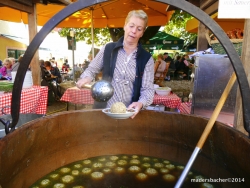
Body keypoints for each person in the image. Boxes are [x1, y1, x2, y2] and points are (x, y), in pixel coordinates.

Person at [76, 10, 154, 119]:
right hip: (104, 111)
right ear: (125, 26)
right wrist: (86, 77)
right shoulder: (108, 49)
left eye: (139, 29)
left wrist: (141, 103)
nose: (134, 31)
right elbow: (92, 69)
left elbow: (148, 90)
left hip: (130, 114)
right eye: (131, 26)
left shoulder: (147, 59)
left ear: (142, 33)